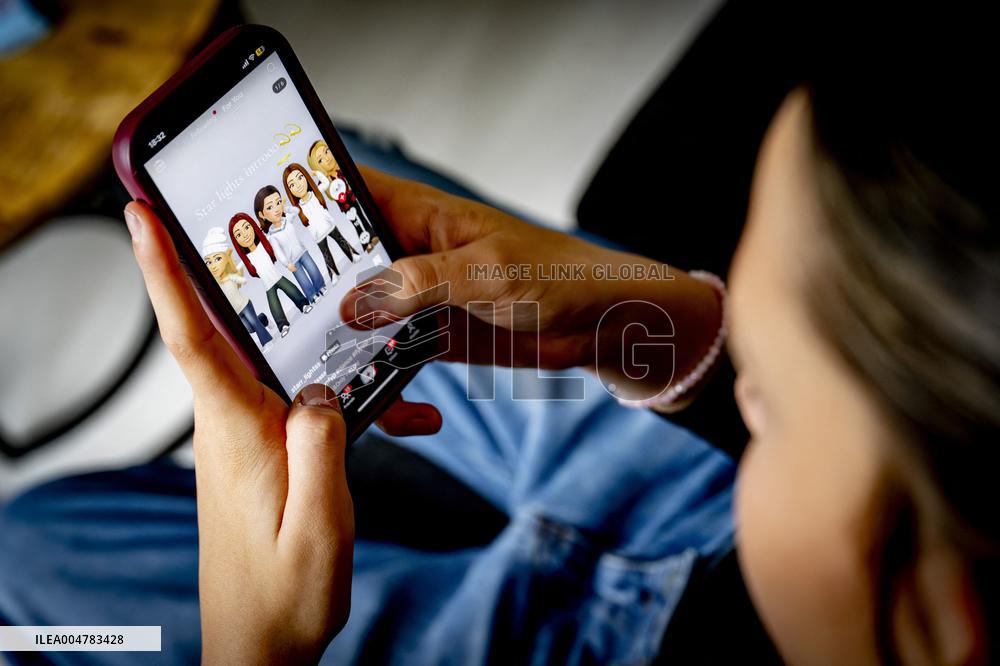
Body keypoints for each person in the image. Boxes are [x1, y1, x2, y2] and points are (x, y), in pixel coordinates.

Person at [2, 5, 997, 664]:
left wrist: (252, 654)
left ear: (944, 615)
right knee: (358, 188)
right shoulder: (872, 531)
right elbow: (772, 391)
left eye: (768, 397)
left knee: (23, 561)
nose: (743, 388)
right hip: (711, 522)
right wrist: (646, 318)